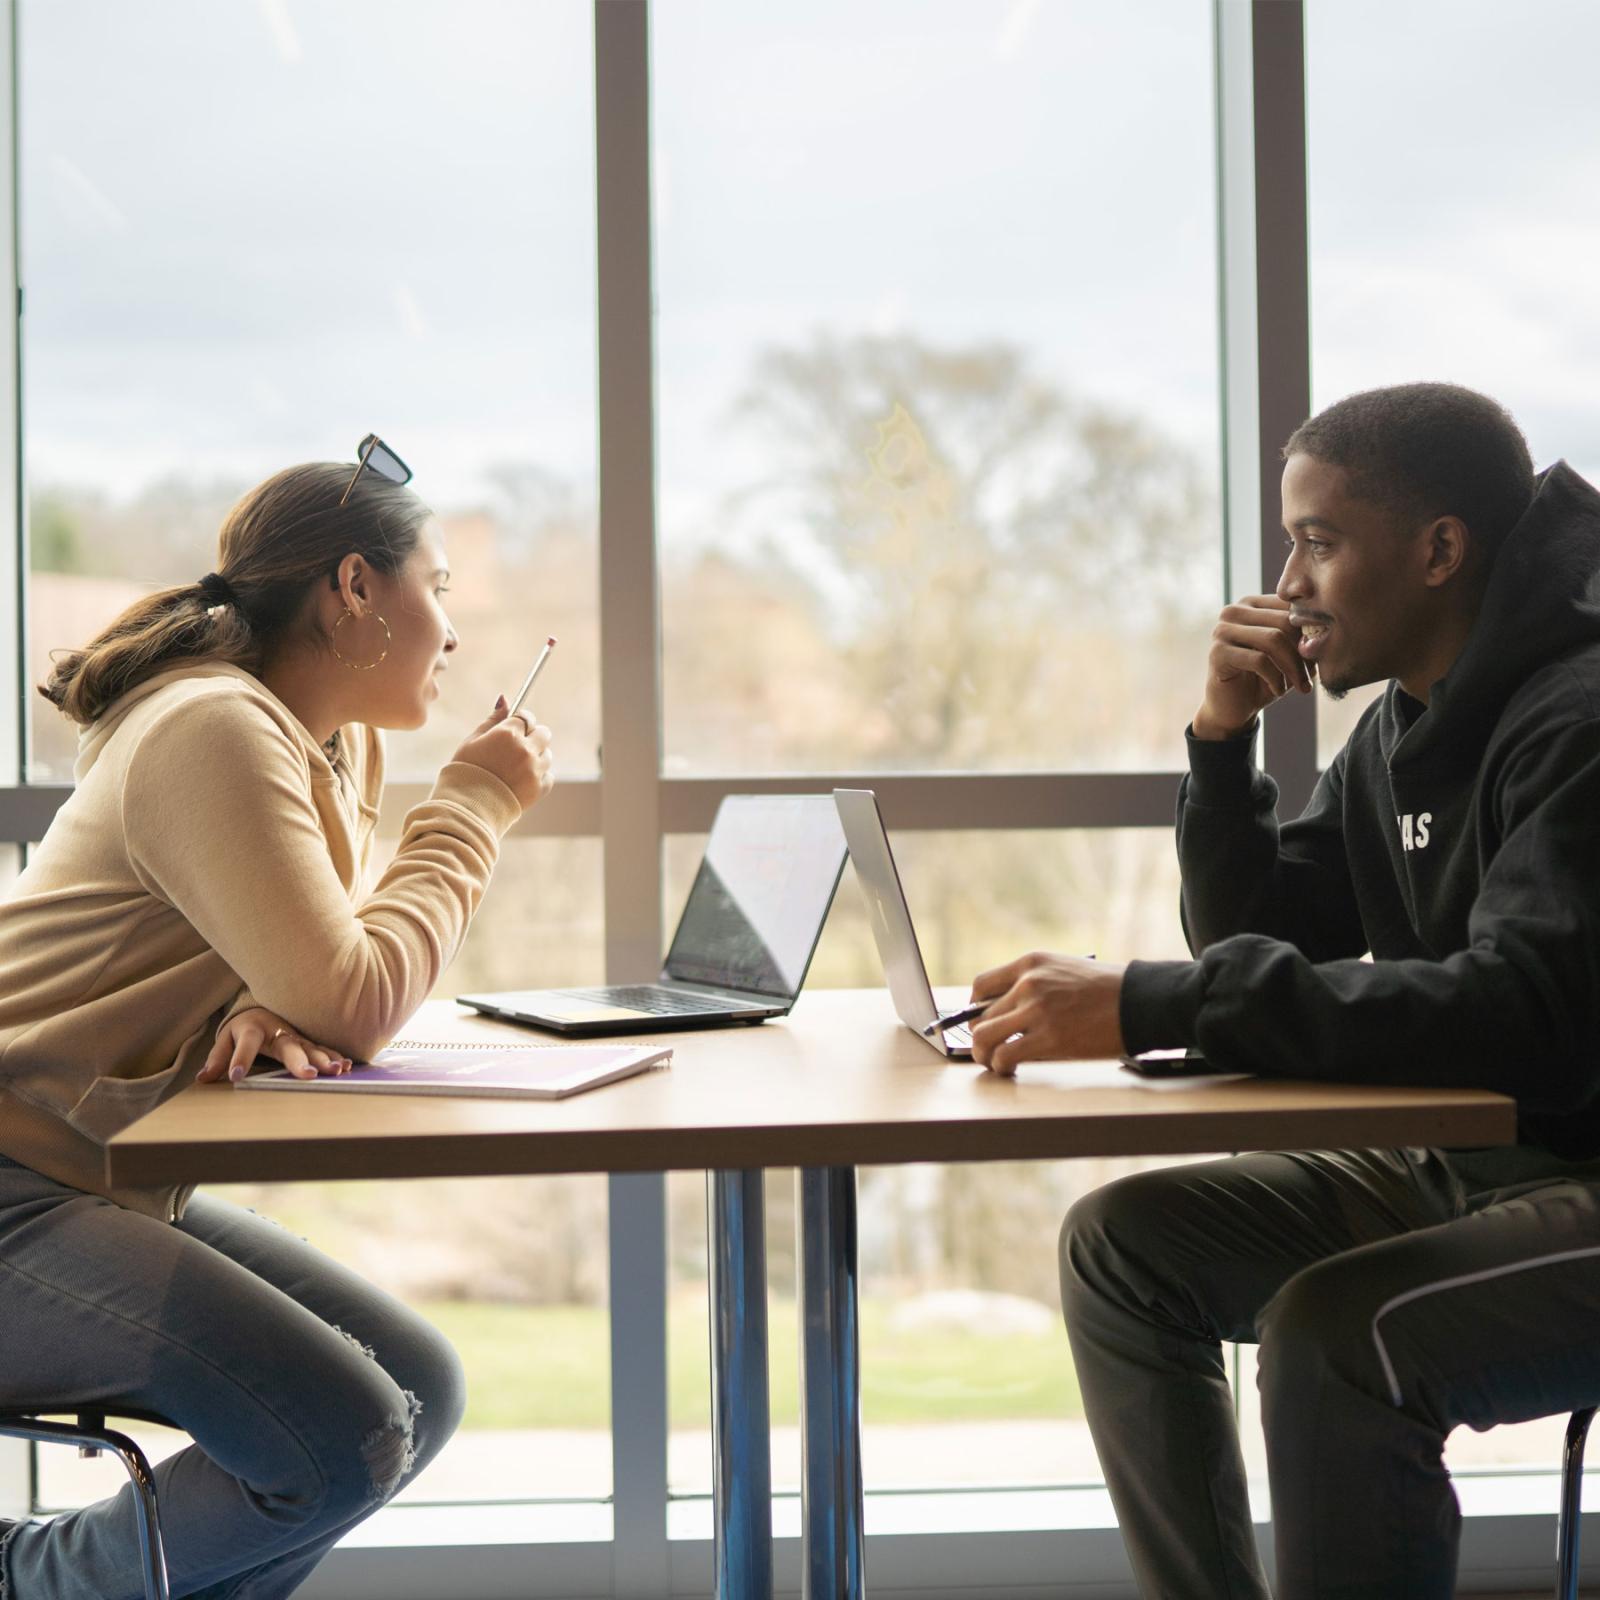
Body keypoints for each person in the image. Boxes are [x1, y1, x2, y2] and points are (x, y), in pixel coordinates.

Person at [964, 382, 1600, 1598]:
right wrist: (1220, 741)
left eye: (1317, 539)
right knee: (1122, 1247)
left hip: (1579, 1172)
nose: (1285, 583)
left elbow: (1530, 1020)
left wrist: (1150, 1005)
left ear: (1438, 551)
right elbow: (1252, 935)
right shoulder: (1408, 723)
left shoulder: (1575, 715)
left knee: (1331, 1337)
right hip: (1479, 1162)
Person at [0, 440, 554, 1598]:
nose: (451, 631)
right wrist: (472, 807)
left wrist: (265, 996)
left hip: (97, 1179)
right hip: (14, 1189)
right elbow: (355, 999)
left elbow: (309, 969)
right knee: (345, 1434)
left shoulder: (321, 743)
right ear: (354, 588)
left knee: (415, 1387)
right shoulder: (216, 725)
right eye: (437, 588)